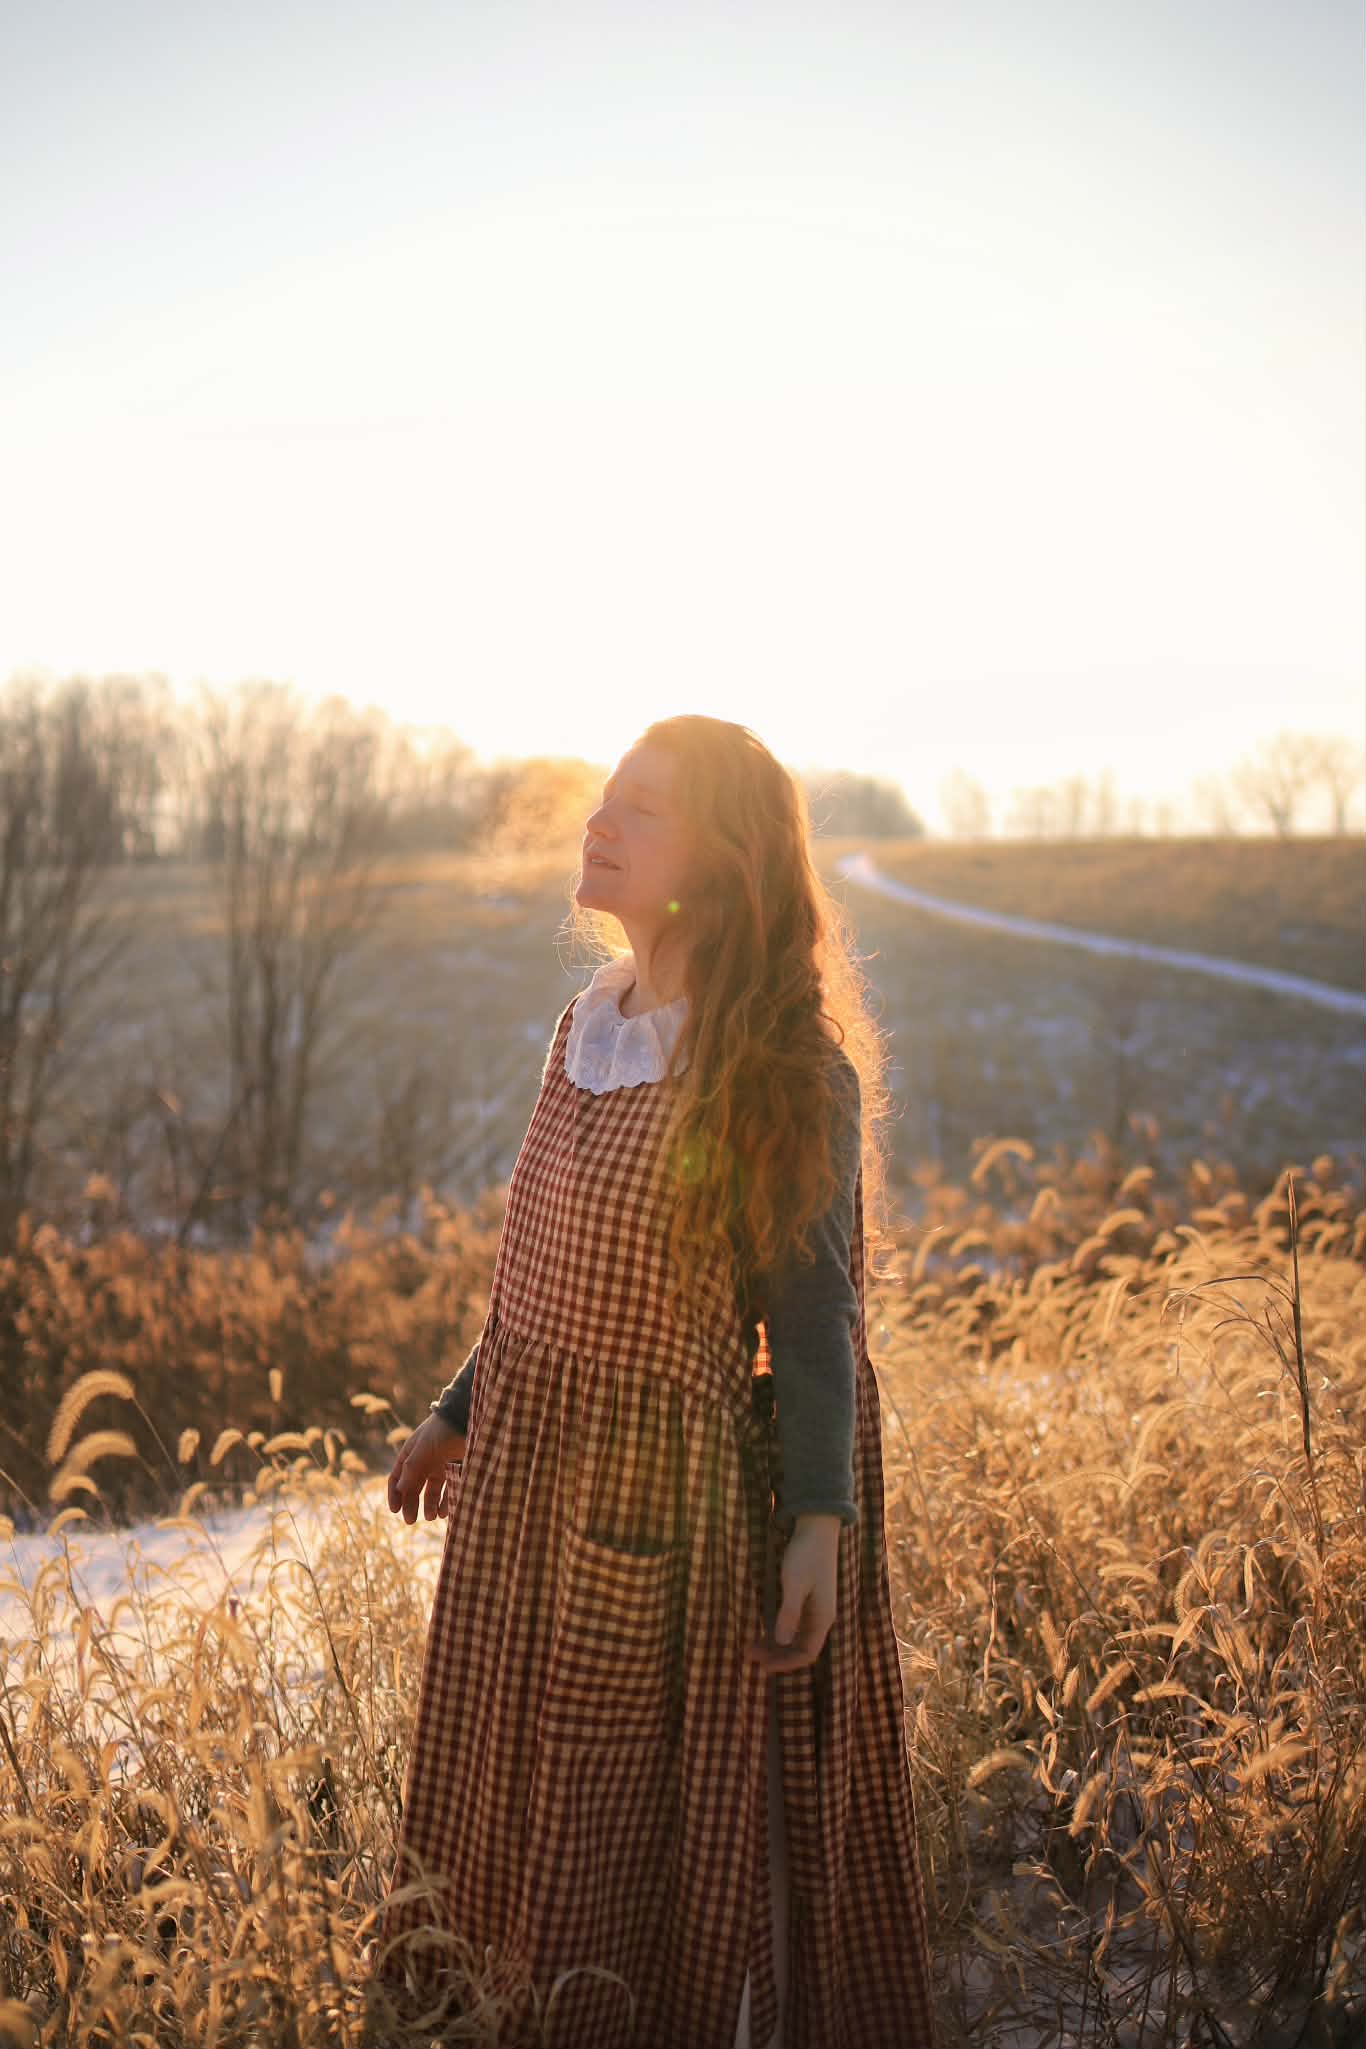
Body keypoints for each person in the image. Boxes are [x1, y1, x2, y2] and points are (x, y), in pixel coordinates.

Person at [370, 716, 938, 2049]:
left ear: (725, 863)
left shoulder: (781, 1064)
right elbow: (539, 1274)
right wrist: (457, 1411)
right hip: (523, 1491)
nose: (599, 820)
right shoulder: (586, 1025)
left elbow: (812, 1311)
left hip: (657, 1511)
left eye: (641, 808)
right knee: (498, 1803)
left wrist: (813, 1522)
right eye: (601, 798)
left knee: (616, 1840)